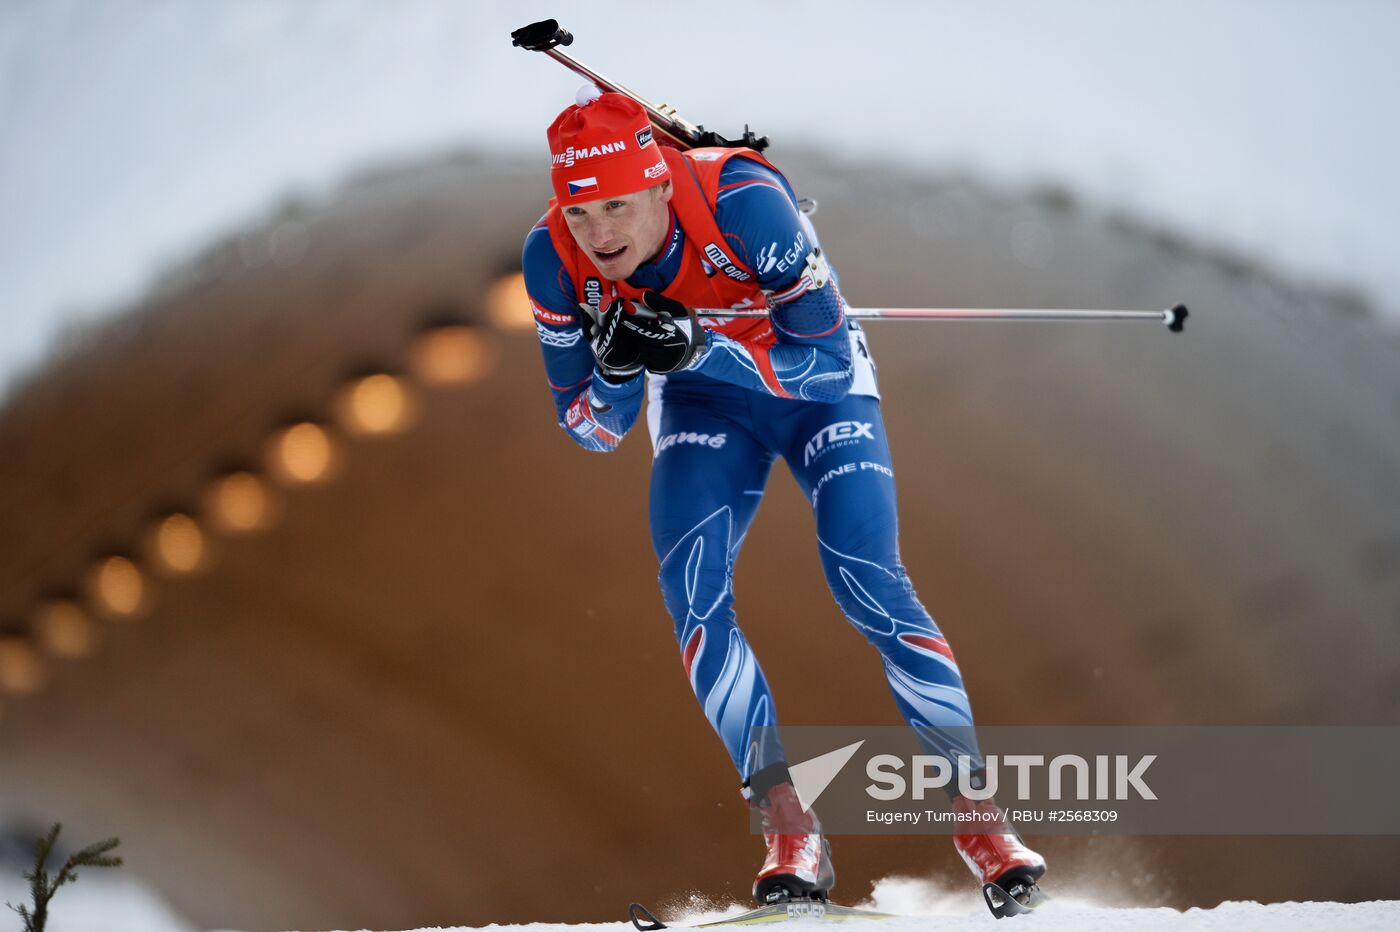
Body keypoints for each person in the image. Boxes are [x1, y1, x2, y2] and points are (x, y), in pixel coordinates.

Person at [522, 86, 1045, 907]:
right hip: (699, 405)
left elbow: (830, 365)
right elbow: (591, 430)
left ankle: (981, 822)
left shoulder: (743, 198)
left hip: (813, 389)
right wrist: (621, 372)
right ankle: (789, 828)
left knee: (865, 577)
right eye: (579, 213)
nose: (599, 237)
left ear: (660, 182)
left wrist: (699, 342)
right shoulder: (552, 259)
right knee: (692, 595)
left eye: (616, 206)